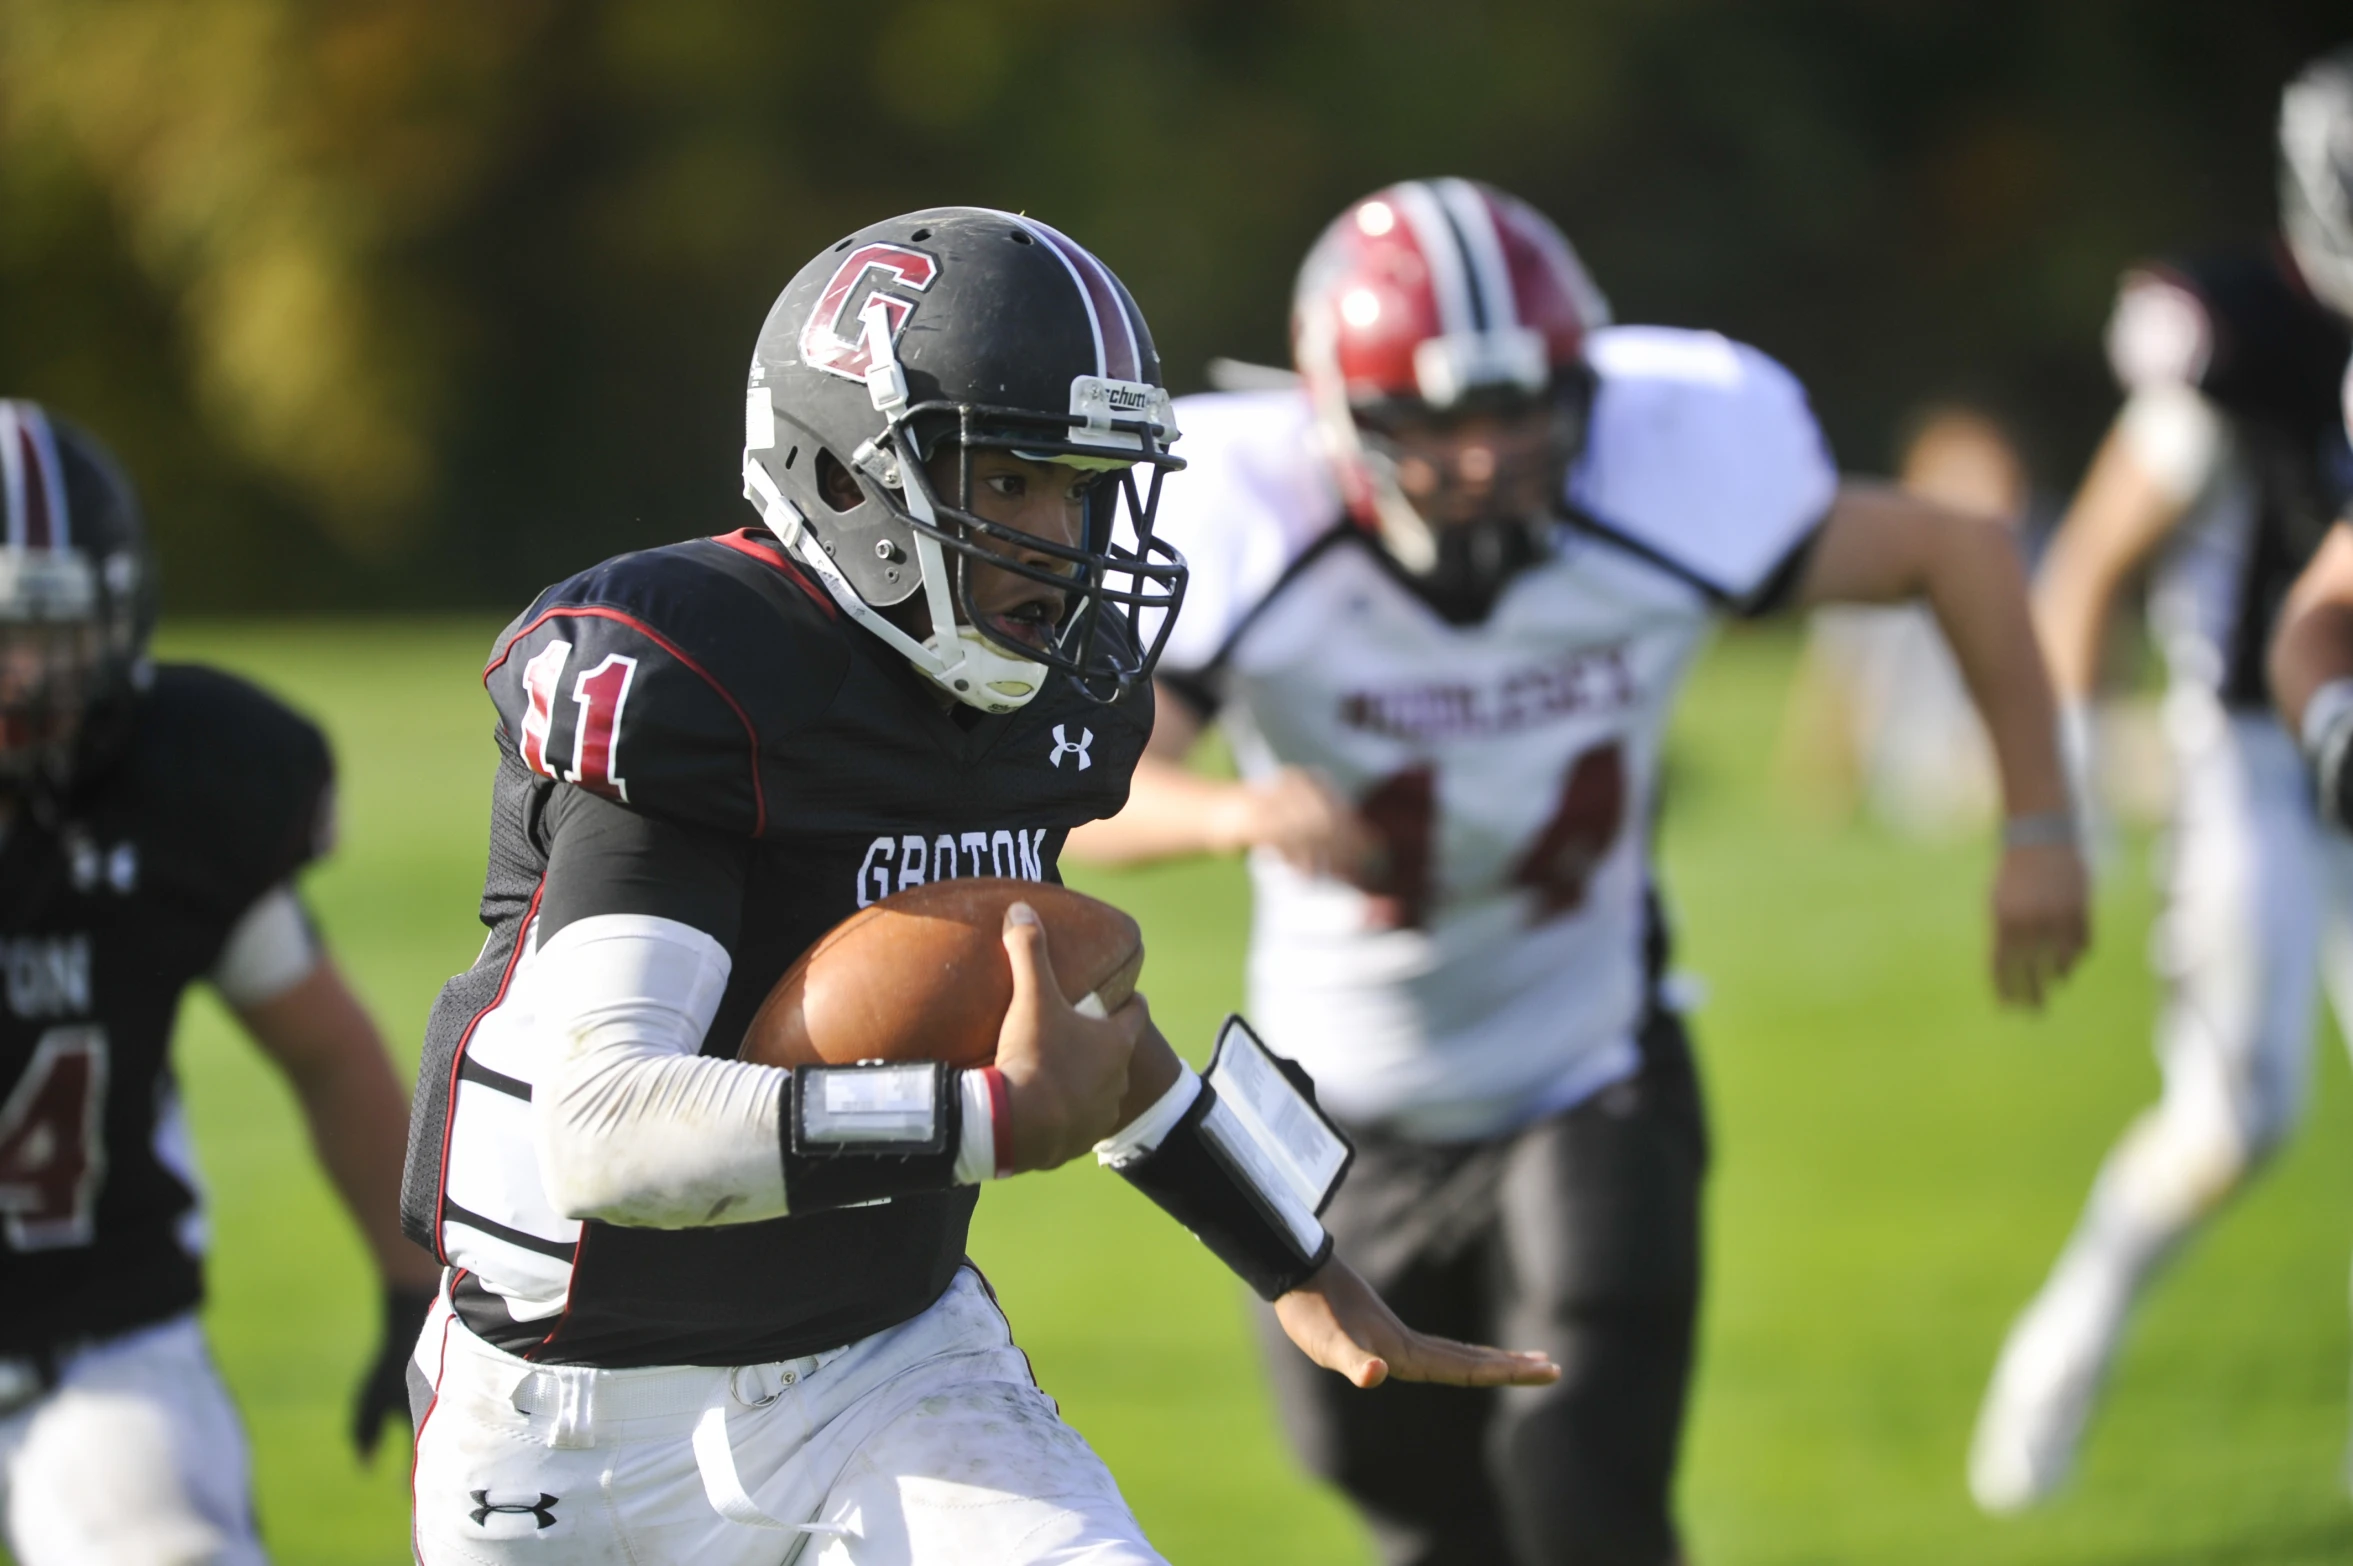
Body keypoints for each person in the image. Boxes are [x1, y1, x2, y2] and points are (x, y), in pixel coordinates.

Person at [401, 206, 1556, 1566]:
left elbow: (1060, 1021)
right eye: (1007, 482)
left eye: (1077, 487)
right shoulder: (700, 671)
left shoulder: (1044, 703)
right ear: (848, 474)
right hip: (564, 1417)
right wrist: (983, 1119)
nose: (1057, 536)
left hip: (880, 1366)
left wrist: (1300, 1264)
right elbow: (603, 1132)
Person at [1063, 179, 2088, 1566]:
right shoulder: (1251, 525)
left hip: (1585, 1066)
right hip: (1324, 1099)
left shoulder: (1664, 481)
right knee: (1405, 1501)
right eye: (1437, 421)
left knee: (1584, 1492)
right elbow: (1086, 793)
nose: (1487, 456)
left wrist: (2037, 826)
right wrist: (1233, 812)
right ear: (1342, 419)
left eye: (1517, 407)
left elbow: (1956, 553)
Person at [1968, 45, 2353, 1514]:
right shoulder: (2241, 343)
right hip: (2251, 745)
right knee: (2239, 1113)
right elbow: (2089, 565)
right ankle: (2065, 1338)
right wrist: (2052, 798)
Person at [0, 399, 435, 1563]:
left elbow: (325, 1049)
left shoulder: (174, 792)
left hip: (97, 1348)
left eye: (47, 627)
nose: (20, 671)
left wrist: (412, 1291)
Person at [1778, 403, 2038, 834]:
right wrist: (1819, 798)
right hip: (1926, 769)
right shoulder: (1878, 593)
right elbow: (1837, 705)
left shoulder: (2026, 576)